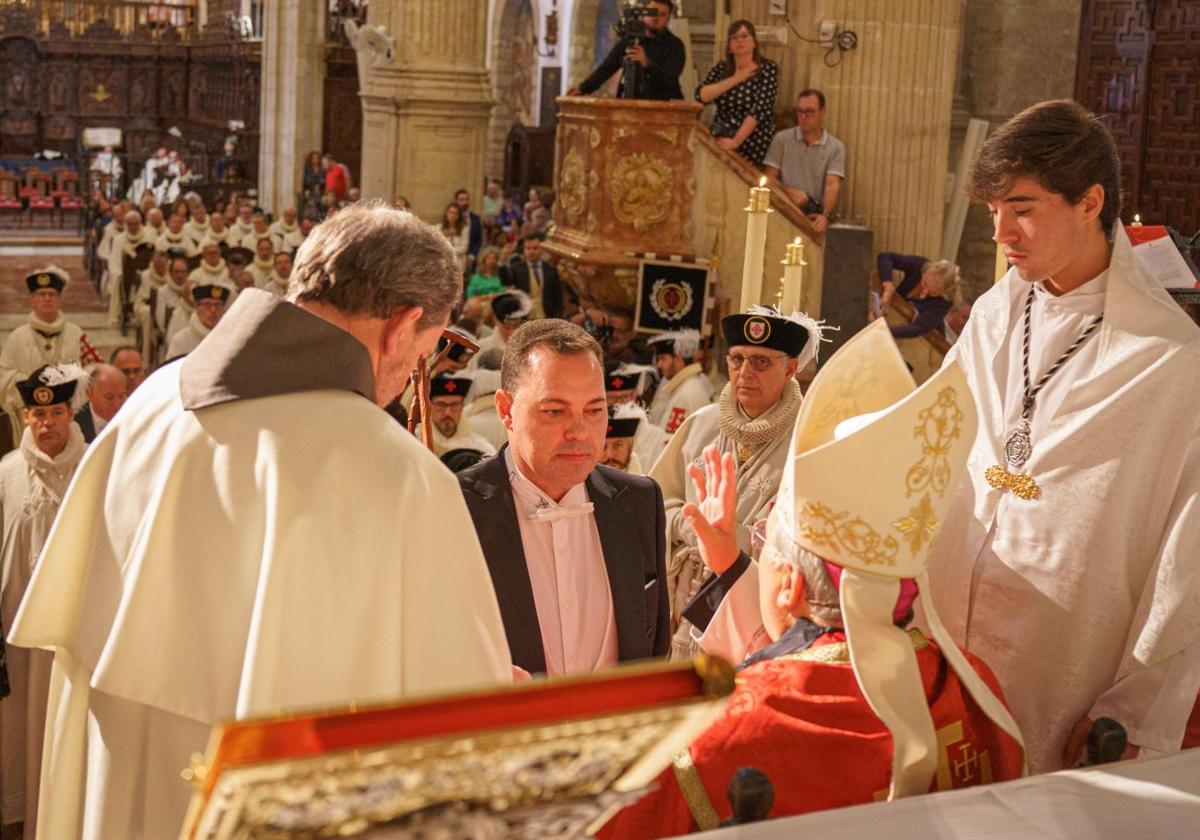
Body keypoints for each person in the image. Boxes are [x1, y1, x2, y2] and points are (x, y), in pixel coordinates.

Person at [7, 203, 514, 838]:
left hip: (120, 773)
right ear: (403, 324)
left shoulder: (153, 402)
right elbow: (455, 727)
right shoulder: (401, 476)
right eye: (425, 347)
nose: (416, 368)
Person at [600, 326, 1026, 837]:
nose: (744, 373)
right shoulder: (973, 684)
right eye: (736, 359)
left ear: (791, 587)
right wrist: (728, 558)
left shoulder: (726, 720)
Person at [926, 99, 1200, 773]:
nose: (1000, 232)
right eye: (992, 211)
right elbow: (929, 446)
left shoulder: (1169, 359)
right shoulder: (992, 316)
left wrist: (1135, 712)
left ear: (1090, 201)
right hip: (946, 656)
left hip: (1069, 665)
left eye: (1021, 208)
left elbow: (1186, 558)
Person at [457, 319, 669, 677]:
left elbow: (654, 647)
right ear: (506, 409)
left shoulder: (639, 502)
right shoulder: (456, 508)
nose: (580, 432)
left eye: (595, 410)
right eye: (555, 411)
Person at [649, 306, 823, 659]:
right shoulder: (701, 425)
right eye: (737, 359)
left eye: (761, 362)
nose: (744, 372)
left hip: (756, 605)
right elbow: (653, 502)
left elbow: (812, 541)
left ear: (791, 368)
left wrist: (733, 539)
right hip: (683, 599)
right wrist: (687, 524)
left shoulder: (811, 439)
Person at [0, 364, 89, 836]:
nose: (48, 423)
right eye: (38, 414)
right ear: (26, 418)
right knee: (21, 735)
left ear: (72, 413)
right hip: (20, 639)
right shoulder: (6, 476)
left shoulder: (97, 468)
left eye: (56, 412)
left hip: (78, 636)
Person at [0, 268, 100, 437]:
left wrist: (73, 382)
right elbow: (4, 375)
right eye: (41, 294)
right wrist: (31, 385)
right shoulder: (17, 337)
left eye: (52, 294)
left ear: (59, 300)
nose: (47, 298)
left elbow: (94, 369)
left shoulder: (76, 333)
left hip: (68, 414)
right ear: (32, 301)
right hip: (31, 416)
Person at [695, 20, 779, 168]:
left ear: (754, 42)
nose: (740, 41)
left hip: (754, 137)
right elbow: (701, 96)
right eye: (734, 37)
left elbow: (760, 109)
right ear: (729, 46)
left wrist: (736, 141)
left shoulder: (767, 68)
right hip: (722, 133)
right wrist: (736, 78)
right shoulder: (721, 68)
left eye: (745, 36)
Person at [763, 89, 846, 233]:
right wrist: (788, 191)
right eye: (800, 111)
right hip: (783, 210)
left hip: (813, 213)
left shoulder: (835, 147)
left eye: (809, 112)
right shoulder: (782, 139)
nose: (803, 117)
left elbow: (832, 185)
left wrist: (824, 215)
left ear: (822, 112)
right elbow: (769, 178)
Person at [569, 0, 684, 101]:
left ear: (668, 19)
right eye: (652, 12)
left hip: (662, 105)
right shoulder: (630, 41)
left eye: (663, 15)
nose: (656, 18)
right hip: (630, 102)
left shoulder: (675, 45)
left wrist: (647, 63)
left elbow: (670, 79)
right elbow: (607, 67)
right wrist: (582, 89)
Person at [876, 254, 960, 339]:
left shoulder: (943, 303)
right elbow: (885, 257)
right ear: (925, 271)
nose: (925, 292)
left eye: (933, 293)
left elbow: (917, 328)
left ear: (943, 293)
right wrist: (888, 287)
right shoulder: (920, 265)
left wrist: (881, 332)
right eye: (925, 283)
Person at [646, 328, 713, 433]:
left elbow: (671, 439)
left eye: (663, 359)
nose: (659, 365)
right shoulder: (686, 387)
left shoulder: (689, 391)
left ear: (678, 360)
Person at [604, 363, 668, 471]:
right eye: (612, 398)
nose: (619, 403)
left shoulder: (657, 437)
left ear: (634, 395)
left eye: (624, 398)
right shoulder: (594, 433)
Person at [424, 373, 496, 459]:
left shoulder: (481, 447)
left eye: (455, 405)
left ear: (462, 406)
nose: (448, 413)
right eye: (441, 405)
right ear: (430, 406)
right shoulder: (417, 441)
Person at [166, 283, 233, 360]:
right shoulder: (181, 340)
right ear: (196, 307)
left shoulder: (231, 338)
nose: (213, 310)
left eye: (218, 305)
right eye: (207, 305)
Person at [504, 233, 563, 319]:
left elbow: (557, 297)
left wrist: (556, 317)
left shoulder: (550, 270)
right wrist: (502, 262)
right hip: (524, 316)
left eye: (535, 248)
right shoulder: (516, 269)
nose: (531, 251)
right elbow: (506, 281)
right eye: (528, 248)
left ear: (542, 250)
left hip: (546, 316)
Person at [472, 289, 533, 363]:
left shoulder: (532, 347)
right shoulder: (481, 348)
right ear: (495, 320)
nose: (512, 332)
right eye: (507, 328)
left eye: (517, 327)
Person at [74, 364, 128, 443]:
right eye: (109, 397)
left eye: (121, 396)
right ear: (89, 393)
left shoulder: (132, 418)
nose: (117, 404)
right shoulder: (75, 422)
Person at [602, 403, 647, 474]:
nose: (609, 455)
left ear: (631, 447)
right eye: (603, 447)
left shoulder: (645, 484)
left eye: (617, 445)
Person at [455, 189, 484, 270]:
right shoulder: (453, 217)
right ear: (456, 201)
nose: (465, 202)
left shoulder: (475, 219)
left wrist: (472, 256)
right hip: (455, 258)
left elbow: (478, 240)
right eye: (461, 200)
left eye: (467, 199)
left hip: (470, 260)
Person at [440, 203, 470, 273]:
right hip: (442, 263)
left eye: (455, 213)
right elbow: (436, 246)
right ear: (446, 214)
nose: (452, 215)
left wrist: (447, 250)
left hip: (458, 262)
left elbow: (463, 248)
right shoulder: (439, 227)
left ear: (459, 216)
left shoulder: (464, 229)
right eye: (450, 212)